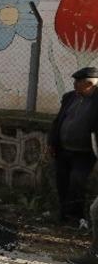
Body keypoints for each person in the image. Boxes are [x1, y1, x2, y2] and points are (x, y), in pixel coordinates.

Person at [48, 67, 98, 230]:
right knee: (62, 182)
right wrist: (52, 142)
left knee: (77, 183)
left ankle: (77, 217)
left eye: (77, 82)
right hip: (63, 150)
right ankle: (64, 215)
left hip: (85, 152)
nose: (74, 85)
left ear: (89, 84)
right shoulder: (70, 97)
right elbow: (58, 121)